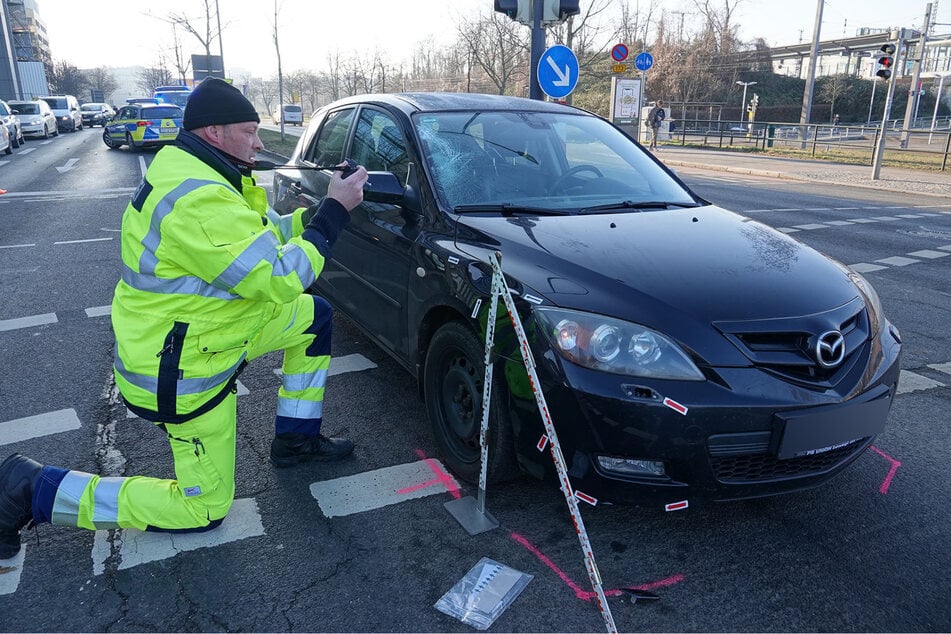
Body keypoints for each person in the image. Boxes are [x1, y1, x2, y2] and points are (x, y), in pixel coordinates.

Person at [0, 77, 369, 559]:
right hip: (181, 368)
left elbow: (256, 238)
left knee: (313, 317)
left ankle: (296, 441)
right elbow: (278, 277)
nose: (259, 142)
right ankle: (33, 489)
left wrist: (313, 215)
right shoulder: (199, 197)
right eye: (250, 130)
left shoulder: (197, 172)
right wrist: (335, 213)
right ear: (214, 132)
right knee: (204, 509)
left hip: (206, 332)